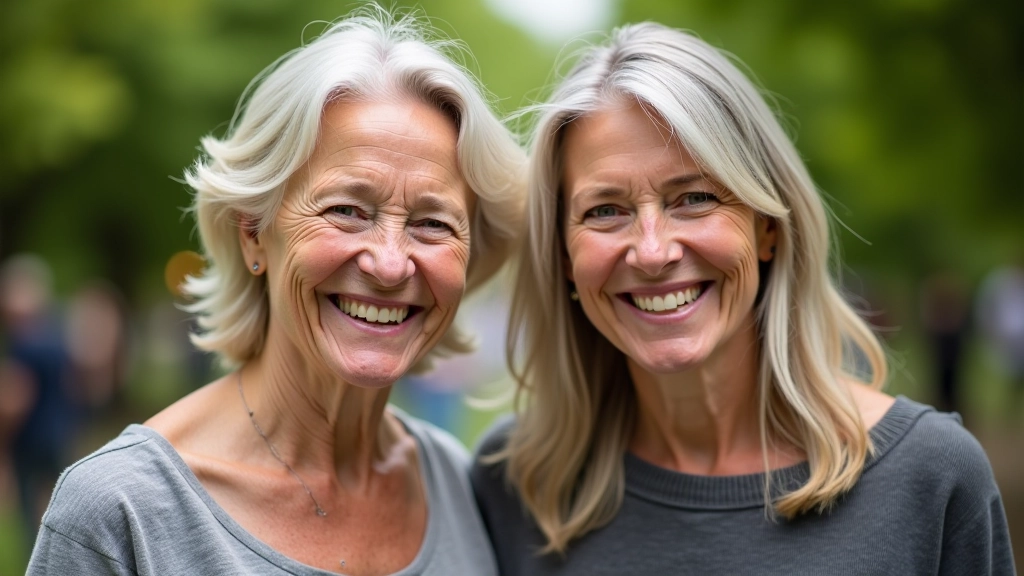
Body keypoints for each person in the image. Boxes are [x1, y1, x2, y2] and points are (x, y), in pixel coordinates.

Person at [471, 22, 1015, 575]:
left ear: (767, 228)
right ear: (564, 255)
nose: (653, 252)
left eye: (694, 198)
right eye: (605, 210)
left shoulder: (931, 478)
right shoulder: (515, 485)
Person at [28, 8, 524, 575]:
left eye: (433, 223)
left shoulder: (462, 488)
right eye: (347, 210)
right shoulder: (120, 512)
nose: (390, 264)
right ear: (254, 234)